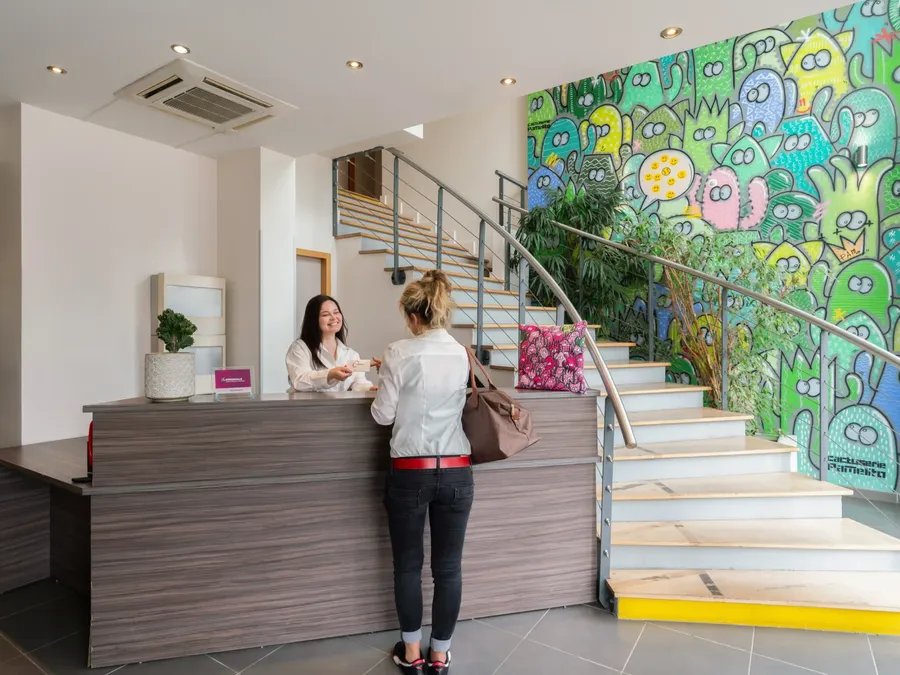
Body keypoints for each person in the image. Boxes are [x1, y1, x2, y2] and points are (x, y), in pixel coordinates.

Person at [371, 270, 472, 675]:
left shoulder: (399, 352)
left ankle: (411, 654)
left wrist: (385, 376)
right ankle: (439, 655)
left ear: (413, 317)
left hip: (409, 473)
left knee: (408, 565)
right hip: (457, 472)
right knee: (448, 568)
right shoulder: (462, 354)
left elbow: (383, 415)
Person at [286, 295, 378, 392]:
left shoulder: (351, 354)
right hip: (307, 407)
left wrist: (370, 389)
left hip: (340, 407)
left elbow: (359, 383)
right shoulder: (299, 348)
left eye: (336, 312)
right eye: (325, 314)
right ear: (313, 320)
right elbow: (299, 381)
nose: (333, 317)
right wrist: (330, 375)